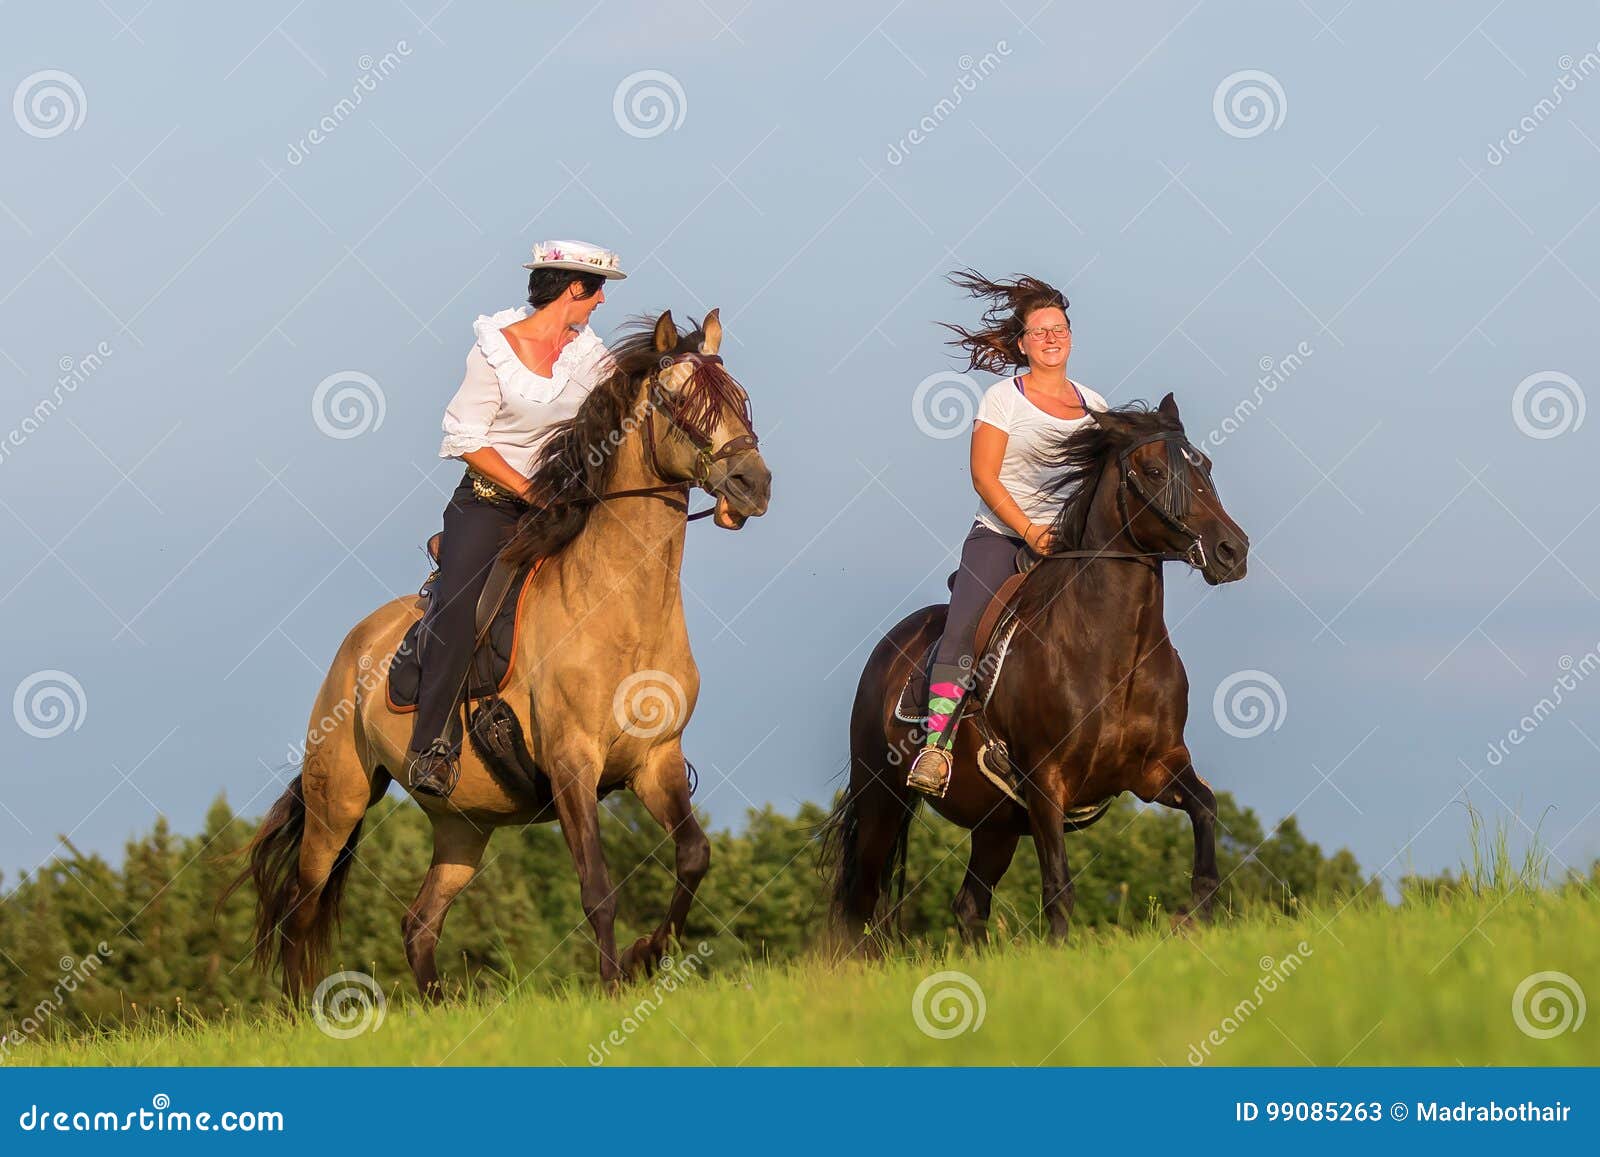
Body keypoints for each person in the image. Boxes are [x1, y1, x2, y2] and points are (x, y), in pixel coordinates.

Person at [405, 239, 625, 798]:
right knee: (458, 608)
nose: (602, 303)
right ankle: (432, 745)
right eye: (598, 290)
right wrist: (533, 494)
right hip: (488, 505)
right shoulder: (493, 350)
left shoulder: (592, 358)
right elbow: (466, 441)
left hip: (564, 504)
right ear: (575, 288)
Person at [905, 270, 1109, 798]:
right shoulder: (1003, 399)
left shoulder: (1097, 408)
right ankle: (937, 745)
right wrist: (1028, 530)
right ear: (1022, 344)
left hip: (1072, 548)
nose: (1051, 337)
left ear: (1071, 337)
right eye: (1039, 330)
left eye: (1059, 327)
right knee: (966, 628)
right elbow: (984, 476)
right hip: (1003, 536)